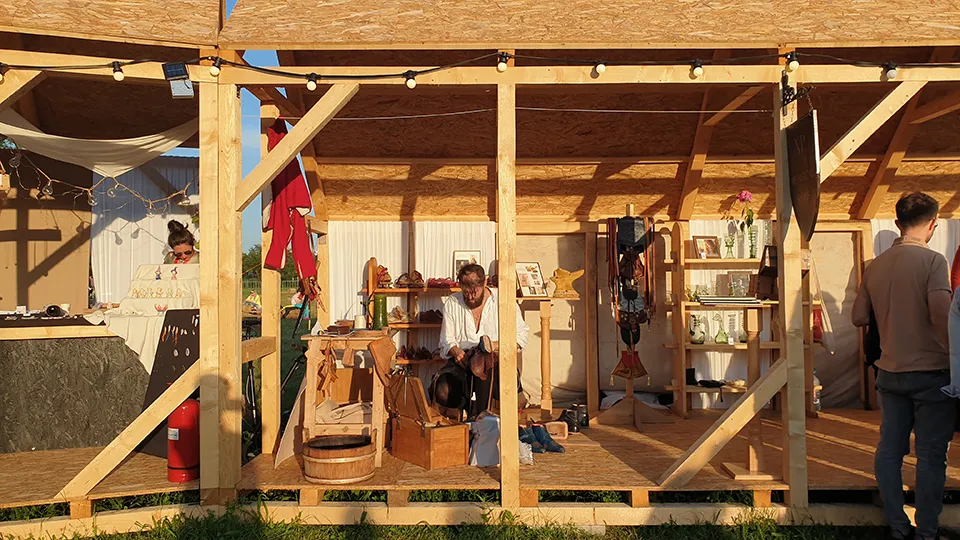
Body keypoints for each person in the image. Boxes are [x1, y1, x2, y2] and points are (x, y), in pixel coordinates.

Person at [852, 192, 953, 540]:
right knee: (930, 456)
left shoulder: (875, 266)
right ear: (933, 224)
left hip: (890, 371)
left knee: (890, 450)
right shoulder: (933, 261)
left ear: (897, 223)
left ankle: (898, 526)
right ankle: (927, 532)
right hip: (932, 371)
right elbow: (940, 314)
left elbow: (858, 316)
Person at [437, 263, 529, 417]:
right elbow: (446, 340)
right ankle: (471, 414)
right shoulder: (452, 303)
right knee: (443, 391)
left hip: (496, 361)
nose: (470, 297)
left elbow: (521, 335)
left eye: (474, 292)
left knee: (484, 368)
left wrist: (495, 345)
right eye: (466, 293)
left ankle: (480, 419)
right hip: (464, 360)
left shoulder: (503, 300)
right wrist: (455, 350)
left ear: (485, 282)